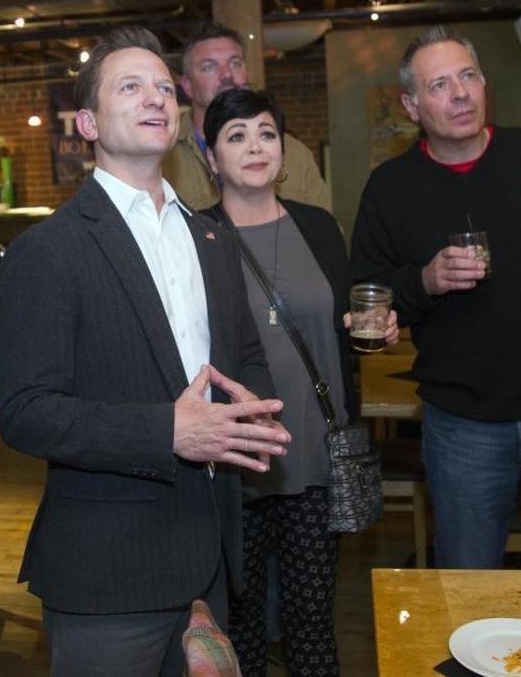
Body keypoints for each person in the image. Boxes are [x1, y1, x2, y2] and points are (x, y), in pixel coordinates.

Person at [0, 26, 291, 676]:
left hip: (208, 559)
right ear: (88, 122)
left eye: (164, 87)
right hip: (108, 574)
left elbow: (243, 354)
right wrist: (168, 430)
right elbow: (25, 411)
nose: (155, 98)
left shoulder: (212, 239)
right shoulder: (48, 251)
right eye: (130, 87)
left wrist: (254, 413)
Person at [349, 25, 521, 569]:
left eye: (468, 76)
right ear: (411, 104)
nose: (460, 94)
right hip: (461, 427)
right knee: (469, 585)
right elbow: (365, 303)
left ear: (484, 83)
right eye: (440, 84)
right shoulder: (391, 189)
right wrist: (424, 281)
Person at [201, 88, 397, 676]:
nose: (254, 146)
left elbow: (342, 321)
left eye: (266, 133)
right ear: (211, 159)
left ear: (283, 150)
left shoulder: (319, 226)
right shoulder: (194, 236)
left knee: (312, 619)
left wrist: (375, 327)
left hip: (314, 456)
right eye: (236, 136)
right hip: (235, 458)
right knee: (239, 624)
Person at [163, 21, 332, 212]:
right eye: (209, 66)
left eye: (235, 63)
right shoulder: (165, 156)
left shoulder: (293, 153)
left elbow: (323, 232)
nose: (226, 74)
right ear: (186, 85)